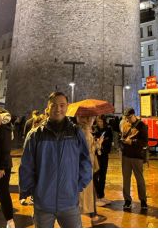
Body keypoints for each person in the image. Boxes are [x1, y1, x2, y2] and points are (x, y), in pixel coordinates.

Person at [19, 92, 92, 228]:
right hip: (43, 204)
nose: (58, 109)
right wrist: (30, 190)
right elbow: (26, 166)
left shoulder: (76, 133)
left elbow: (85, 162)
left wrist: (77, 186)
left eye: (62, 105)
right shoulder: (35, 135)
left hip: (69, 203)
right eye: (54, 105)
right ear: (47, 108)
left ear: (67, 107)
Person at [76, 115, 103, 225]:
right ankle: (90, 217)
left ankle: (92, 215)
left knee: (88, 193)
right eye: (92, 118)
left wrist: (96, 144)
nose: (94, 120)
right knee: (86, 193)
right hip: (86, 168)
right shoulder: (86, 134)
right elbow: (88, 152)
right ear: (87, 120)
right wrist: (98, 144)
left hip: (83, 168)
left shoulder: (82, 132)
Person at [120, 108, 148, 211]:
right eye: (126, 118)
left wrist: (132, 142)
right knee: (126, 180)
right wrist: (123, 141)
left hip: (137, 157)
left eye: (129, 117)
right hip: (126, 156)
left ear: (134, 115)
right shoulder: (125, 125)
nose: (128, 120)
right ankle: (127, 200)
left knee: (140, 180)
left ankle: (143, 200)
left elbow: (144, 142)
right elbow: (123, 138)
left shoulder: (142, 126)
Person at [93, 115, 113, 207]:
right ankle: (97, 196)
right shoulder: (94, 130)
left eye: (101, 121)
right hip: (95, 156)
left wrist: (102, 144)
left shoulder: (108, 130)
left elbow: (110, 143)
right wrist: (97, 144)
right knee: (95, 175)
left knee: (103, 175)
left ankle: (101, 195)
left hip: (104, 155)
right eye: (98, 121)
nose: (99, 123)